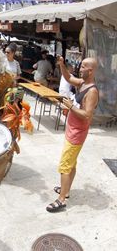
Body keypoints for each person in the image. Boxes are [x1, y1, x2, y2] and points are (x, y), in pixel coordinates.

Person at [46, 57, 99, 213]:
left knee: (64, 166)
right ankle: (66, 190)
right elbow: (68, 77)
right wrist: (62, 65)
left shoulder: (92, 91)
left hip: (77, 134)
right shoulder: (83, 83)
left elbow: (87, 115)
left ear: (90, 71)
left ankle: (61, 200)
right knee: (72, 163)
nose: (79, 68)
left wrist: (70, 106)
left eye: (83, 67)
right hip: (72, 130)